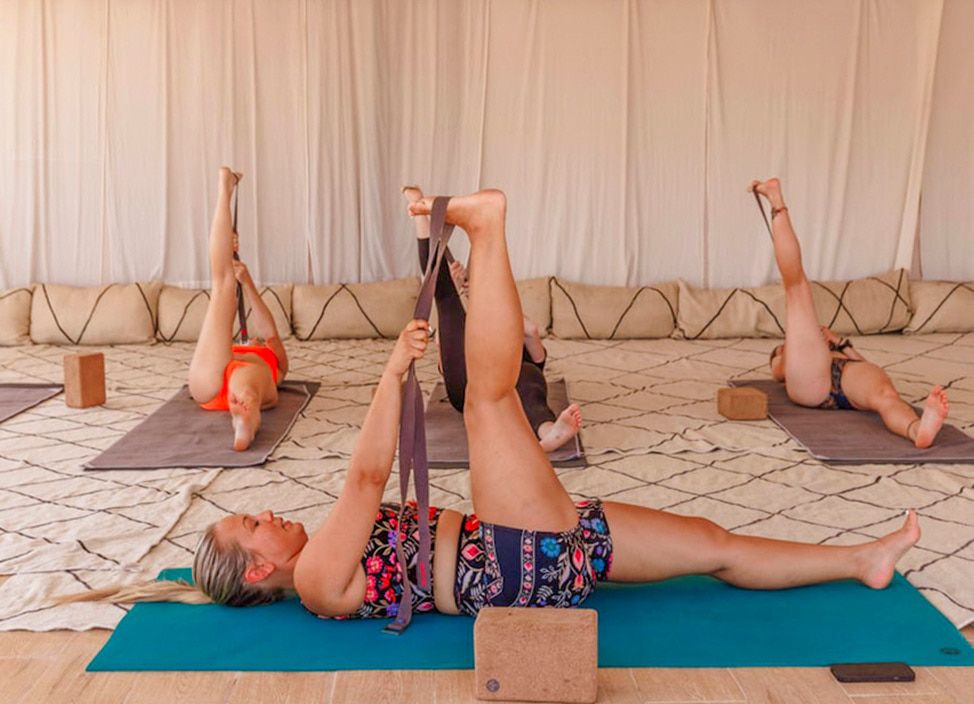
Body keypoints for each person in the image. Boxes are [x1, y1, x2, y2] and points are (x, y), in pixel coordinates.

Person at [58, 190, 921, 620]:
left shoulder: (319, 554)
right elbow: (367, 474)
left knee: (716, 544)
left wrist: (399, 368)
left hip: (535, 538)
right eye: (254, 524)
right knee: (488, 399)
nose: (269, 512)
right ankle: (491, 227)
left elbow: (369, 479)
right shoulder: (318, 579)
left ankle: (861, 560)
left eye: (254, 510)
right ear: (257, 571)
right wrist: (392, 370)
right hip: (518, 558)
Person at [753, 177, 949, 448]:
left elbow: (863, 363)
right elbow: (779, 372)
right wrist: (792, 348)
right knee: (796, 288)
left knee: (886, 396)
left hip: (848, 374)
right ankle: (777, 202)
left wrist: (841, 344)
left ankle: (917, 430)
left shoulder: (831, 350)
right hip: (814, 384)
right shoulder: (783, 359)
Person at [401, 185, 580, 454]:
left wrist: (479, 298)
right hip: (468, 387)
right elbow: (445, 353)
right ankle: (421, 216)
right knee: (445, 297)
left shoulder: (526, 358)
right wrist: (458, 289)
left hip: (509, 386)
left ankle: (549, 433)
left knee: (526, 379)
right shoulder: (474, 327)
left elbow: (531, 330)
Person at [188, 167, 289, 452]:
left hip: (208, 384)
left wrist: (247, 282)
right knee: (223, 285)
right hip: (219, 378)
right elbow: (269, 332)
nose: (254, 339)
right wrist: (240, 275)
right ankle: (247, 415)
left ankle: (225, 189)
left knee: (223, 286)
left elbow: (268, 329)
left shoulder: (274, 363)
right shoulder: (268, 358)